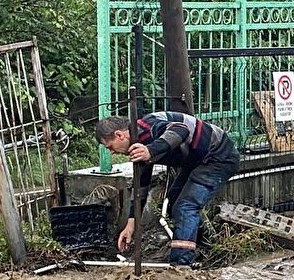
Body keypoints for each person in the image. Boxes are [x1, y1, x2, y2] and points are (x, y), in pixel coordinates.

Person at [95, 112, 239, 266]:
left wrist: (150, 150)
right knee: (173, 205)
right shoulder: (138, 146)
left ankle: (181, 266)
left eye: (110, 146)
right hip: (197, 162)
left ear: (119, 135)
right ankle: (206, 248)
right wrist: (130, 226)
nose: (112, 152)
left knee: (185, 207)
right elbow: (141, 187)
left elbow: (180, 129)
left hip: (219, 156)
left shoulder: (146, 127)